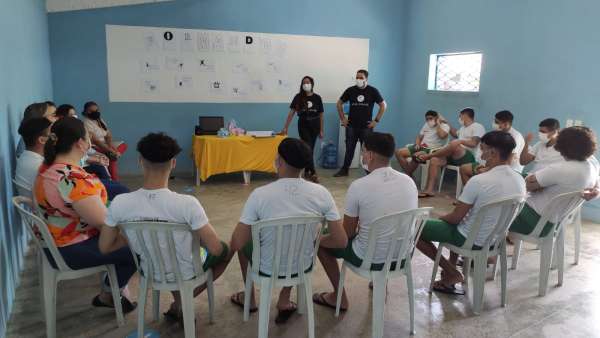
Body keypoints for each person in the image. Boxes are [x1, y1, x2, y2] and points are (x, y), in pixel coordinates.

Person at [99, 132, 232, 322]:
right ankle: (182, 302)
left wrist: (133, 233)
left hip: (151, 269)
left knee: (161, 251)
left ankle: (179, 303)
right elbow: (216, 248)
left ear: (140, 161)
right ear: (173, 163)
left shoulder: (120, 203)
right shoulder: (187, 204)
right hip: (185, 270)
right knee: (225, 250)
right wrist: (197, 239)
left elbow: (105, 247)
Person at [229, 138, 347, 324]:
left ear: (279, 161)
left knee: (245, 247)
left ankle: (249, 298)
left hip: (266, 267)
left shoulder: (260, 195)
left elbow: (236, 243)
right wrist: (315, 240)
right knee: (296, 244)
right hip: (303, 265)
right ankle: (284, 299)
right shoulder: (322, 193)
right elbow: (341, 241)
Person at [33, 117, 137, 313]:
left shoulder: (47, 170)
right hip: (70, 248)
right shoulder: (72, 178)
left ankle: (114, 289)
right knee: (137, 247)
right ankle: (108, 294)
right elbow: (105, 223)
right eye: (88, 138)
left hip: (58, 241)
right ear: (80, 143)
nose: (89, 142)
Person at [313, 132, 418, 311]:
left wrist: (319, 239)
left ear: (370, 155)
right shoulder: (408, 181)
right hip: (403, 255)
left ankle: (338, 298)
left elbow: (346, 236)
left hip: (369, 257)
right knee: (384, 229)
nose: (362, 156)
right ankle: (380, 283)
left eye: (363, 151)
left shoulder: (359, 186)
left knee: (323, 243)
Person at [417, 131, 525, 294]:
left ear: (493, 152)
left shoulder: (479, 181)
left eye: (483, 149)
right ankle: (450, 272)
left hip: (470, 238)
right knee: (461, 223)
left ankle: (452, 272)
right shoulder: (519, 180)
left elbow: (455, 219)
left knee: (416, 227)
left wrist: (441, 217)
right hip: (494, 239)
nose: (481, 154)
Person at [510, 126, 599, 237]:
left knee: (492, 207)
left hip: (533, 221)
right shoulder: (591, 166)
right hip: (553, 224)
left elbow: (527, 186)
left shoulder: (562, 168)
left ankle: (490, 248)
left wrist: (536, 183)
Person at [416, 108, 485, 198]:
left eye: (460, 116)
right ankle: (429, 190)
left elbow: (473, 143)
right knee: (434, 160)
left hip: (468, 157)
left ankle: (428, 155)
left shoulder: (477, 126)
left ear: (464, 115)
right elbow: (454, 134)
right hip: (454, 155)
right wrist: (446, 122)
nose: (459, 118)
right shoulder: (463, 128)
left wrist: (459, 142)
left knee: (454, 143)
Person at [334, 69, 387, 177]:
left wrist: (376, 121)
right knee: (349, 148)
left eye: (361, 77)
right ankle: (345, 170)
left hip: (366, 126)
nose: (358, 79)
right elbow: (339, 103)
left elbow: (383, 105)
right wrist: (343, 118)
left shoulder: (372, 91)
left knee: (368, 150)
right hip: (351, 125)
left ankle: (369, 172)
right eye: (357, 77)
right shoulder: (350, 90)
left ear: (366, 79)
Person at [459, 110, 525, 184]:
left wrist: (488, 169)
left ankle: (480, 193)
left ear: (506, 124)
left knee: (482, 177)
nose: (494, 124)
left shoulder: (516, 137)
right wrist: (484, 165)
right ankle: (472, 192)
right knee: (464, 169)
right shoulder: (498, 134)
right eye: (494, 121)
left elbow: (508, 162)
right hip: (493, 165)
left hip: (509, 170)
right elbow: (490, 154)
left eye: (497, 122)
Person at [280, 76, 324, 183]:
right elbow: (291, 113)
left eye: (308, 82)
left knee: (310, 149)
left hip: (315, 125)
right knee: (307, 148)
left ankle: (307, 171)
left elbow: (321, 114)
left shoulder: (317, 98)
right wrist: (285, 127)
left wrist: (321, 129)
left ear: (312, 84)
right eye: (304, 83)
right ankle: (313, 173)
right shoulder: (298, 97)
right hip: (303, 124)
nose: (306, 84)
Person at [394, 110, 450, 177]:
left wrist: (438, 124)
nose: (429, 120)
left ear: (436, 118)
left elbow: (442, 136)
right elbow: (419, 137)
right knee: (398, 152)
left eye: (431, 118)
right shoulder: (426, 124)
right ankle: (409, 174)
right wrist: (417, 143)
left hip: (431, 150)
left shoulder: (445, 126)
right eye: (427, 119)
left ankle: (408, 175)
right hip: (421, 147)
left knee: (416, 155)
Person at [82, 101, 127, 180]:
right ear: (86, 112)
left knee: (123, 145)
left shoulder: (99, 120)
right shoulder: (86, 123)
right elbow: (96, 141)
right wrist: (111, 151)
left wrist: (112, 148)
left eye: (97, 110)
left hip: (105, 144)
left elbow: (108, 135)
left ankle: (112, 155)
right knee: (111, 156)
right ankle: (114, 179)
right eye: (92, 111)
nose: (96, 112)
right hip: (96, 146)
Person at [15, 117, 52, 192]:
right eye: (52, 135)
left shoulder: (25, 156)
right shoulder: (40, 167)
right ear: (42, 140)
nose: (56, 138)